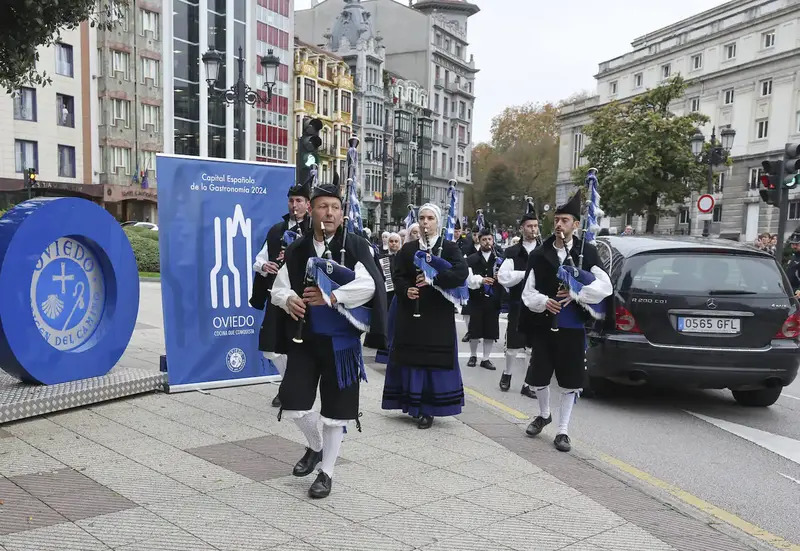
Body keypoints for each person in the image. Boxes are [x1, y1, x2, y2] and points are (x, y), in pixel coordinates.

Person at [270, 181, 387, 498]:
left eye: (335, 207)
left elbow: (369, 286)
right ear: (311, 209)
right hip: (304, 340)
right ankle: (316, 446)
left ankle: (327, 473)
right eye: (323, 206)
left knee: (336, 413)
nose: (330, 212)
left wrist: (333, 296)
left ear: (342, 213)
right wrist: (288, 299)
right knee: (293, 404)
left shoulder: (357, 246)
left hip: (342, 344)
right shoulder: (298, 249)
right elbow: (279, 287)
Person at [519, 192, 612, 452]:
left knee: (570, 381)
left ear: (575, 225)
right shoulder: (540, 253)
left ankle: (563, 430)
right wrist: (543, 302)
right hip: (544, 325)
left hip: (571, 327)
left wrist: (576, 293)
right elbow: (528, 292)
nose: (559, 224)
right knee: (538, 378)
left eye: (565, 220)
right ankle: (544, 414)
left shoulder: (587, 252)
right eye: (557, 220)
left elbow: (604, 288)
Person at [382, 203, 468, 429]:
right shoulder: (408, 250)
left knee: (433, 361)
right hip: (412, 314)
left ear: (437, 222)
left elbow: (461, 273)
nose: (425, 222)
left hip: (438, 315)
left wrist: (434, 279)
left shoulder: (448, 247)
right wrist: (405, 290)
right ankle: (412, 404)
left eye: (430, 218)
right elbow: (398, 276)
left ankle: (429, 409)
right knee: (413, 359)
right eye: (422, 218)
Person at [250, 183, 312, 408]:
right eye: (291, 201)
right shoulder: (277, 229)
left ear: (308, 204)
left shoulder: (314, 229)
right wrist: (265, 266)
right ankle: (288, 382)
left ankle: (291, 389)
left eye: (299, 201)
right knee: (271, 346)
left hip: (303, 296)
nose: (294, 205)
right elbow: (259, 259)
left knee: (298, 345)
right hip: (278, 295)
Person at [497, 211, 540, 397]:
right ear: (522, 228)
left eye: (536, 226)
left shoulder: (544, 250)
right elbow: (503, 277)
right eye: (530, 226)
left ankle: (527, 383)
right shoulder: (513, 252)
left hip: (537, 305)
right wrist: (524, 274)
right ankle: (507, 373)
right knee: (513, 345)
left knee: (532, 347)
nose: (533, 229)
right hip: (518, 303)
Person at [465, 228, 502, 370]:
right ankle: (473, 355)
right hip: (476, 299)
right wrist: (481, 280)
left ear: (493, 240)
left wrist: (501, 277)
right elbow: (468, 279)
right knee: (474, 330)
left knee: (490, 331)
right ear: (479, 241)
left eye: (489, 239)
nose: (487, 242)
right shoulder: (472, 259)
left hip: (493, 299)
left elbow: (506, 277)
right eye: (484, 240)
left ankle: (485, 358)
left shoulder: (499, 258)